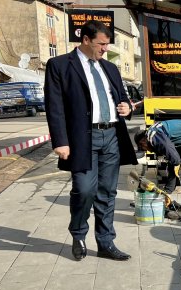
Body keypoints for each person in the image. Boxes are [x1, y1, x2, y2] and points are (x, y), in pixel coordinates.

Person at [45, 20, 137, 261]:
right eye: (102, 44)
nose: (105, 49)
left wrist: (127, 108)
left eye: (107, 44)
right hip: (82, 139)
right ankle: (78, 234)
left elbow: (123, 98)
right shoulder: (60, 65)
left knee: (107, 192)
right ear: (85, 40)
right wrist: (60, 141)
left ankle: (106, 243)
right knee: (85, 190)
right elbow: (54, 107)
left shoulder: (111, 69)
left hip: (112, 136)